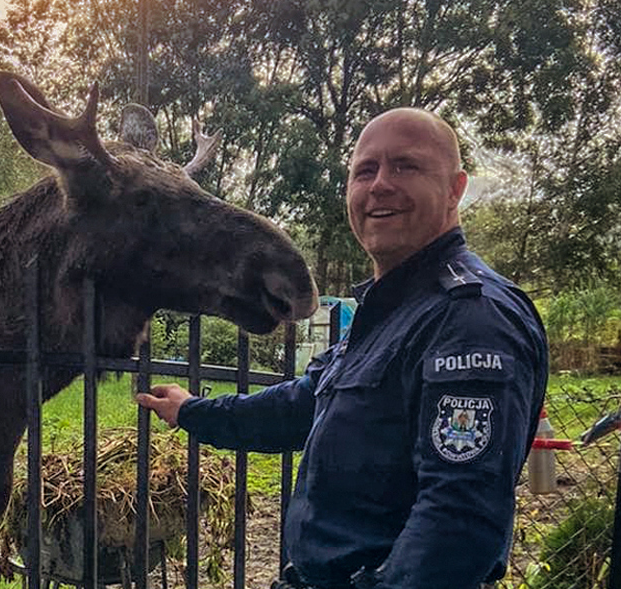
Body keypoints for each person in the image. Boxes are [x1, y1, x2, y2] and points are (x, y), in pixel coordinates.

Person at [137, 108, 548, 589]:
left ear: (456, 189)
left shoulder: (471, 319)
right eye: (365, 171)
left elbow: (457, 526)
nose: (380, 185)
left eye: (406, 166)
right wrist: (193, 411)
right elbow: (301, 406)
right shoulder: (392, 309)